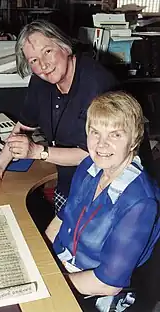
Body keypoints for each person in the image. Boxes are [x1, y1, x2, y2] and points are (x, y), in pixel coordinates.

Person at [0, 20, 118, 216]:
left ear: (64, 45)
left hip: (104, 192)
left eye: (47, 52)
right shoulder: (41, 80)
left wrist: (38, 152)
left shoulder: (98, 84)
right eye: (33, 61)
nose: (43, 65)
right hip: (69, 184)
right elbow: (23, 126)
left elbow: (93, 154)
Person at [45, 91, 160, 311]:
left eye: (115, 135)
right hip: (62, 267)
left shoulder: (141, 202)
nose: (101, 144)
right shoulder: (89, 167)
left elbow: (107, 284)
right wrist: (40, 255)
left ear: (134, 139)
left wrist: (50, 283)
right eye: (95, 132)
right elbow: (63, 217)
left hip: (95, 292)